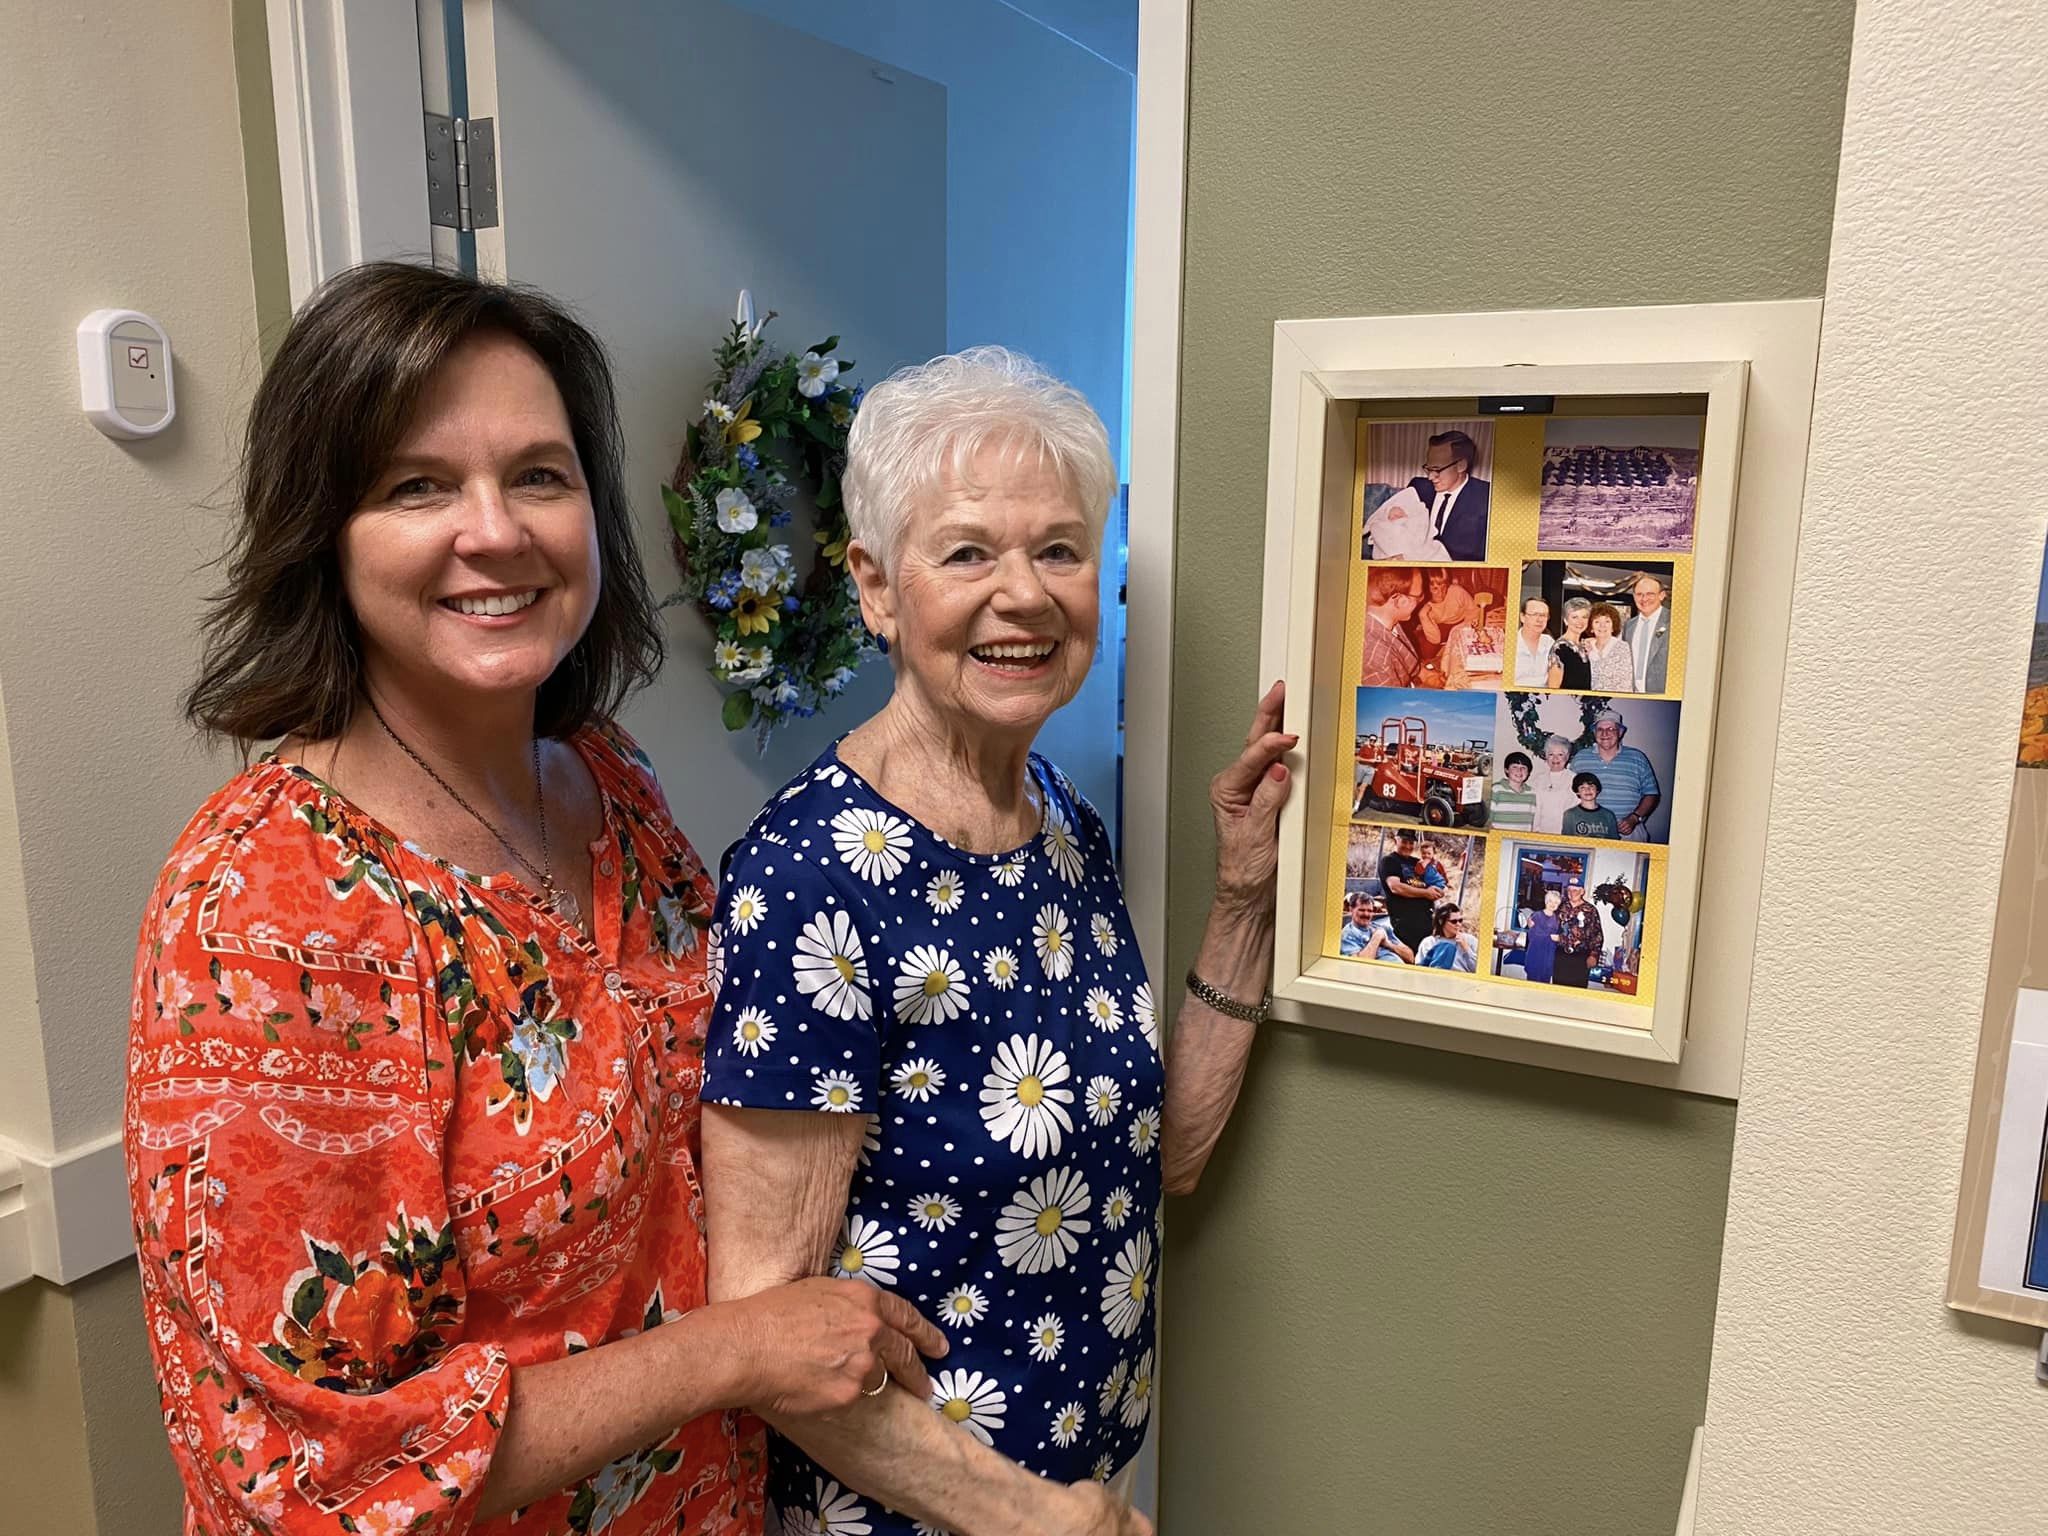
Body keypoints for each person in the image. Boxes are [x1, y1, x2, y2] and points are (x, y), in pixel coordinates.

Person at [125, 263, 940, 1536]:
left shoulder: (609, 781)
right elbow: (306, 1479)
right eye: (417, 485)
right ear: (321, 532)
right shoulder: (270, 908)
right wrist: (737, 1353)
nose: (495, 530)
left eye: (540, 475)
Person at [697, 348, 1289, 1536]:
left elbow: (1152, 1160)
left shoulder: (1058, 821)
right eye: (966, 551)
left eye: (1058, 550)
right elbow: (759, 1327)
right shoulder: (811, 875)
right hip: (925, 1516)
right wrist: (1030, 1520)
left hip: (1084, 1485)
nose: (1022, 595)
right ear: (875, 587)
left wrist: (1241, 898)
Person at [1390, 429, 1491, 562]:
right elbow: (1393, 527)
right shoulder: (1417, 488)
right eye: (1428, 468)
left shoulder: (1486, 496)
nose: (1431, 477)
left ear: (1461, 465)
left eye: (1437, 470)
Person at [1569, 709, 1663, 841]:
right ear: (1594, 732)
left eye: (1611, 729)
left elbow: (1651, 794)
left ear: (1620, 732)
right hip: (1588, 832)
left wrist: (1634, 818)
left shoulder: (1637, 758)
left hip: (1629, 834)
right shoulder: (1580, 758)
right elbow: (1569, 793)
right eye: (1600, 729)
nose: (1605, 733)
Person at [1377, 827, 1441, 951]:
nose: (1408, 846)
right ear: (1396, 841)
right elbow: (1396, 887)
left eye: (1411, 842)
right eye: (1404, 841)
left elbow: (1435, 884)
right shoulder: (1389, 861)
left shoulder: (1418, 862)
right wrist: (1426, 893)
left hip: (1427, 920)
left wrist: (1438, 890)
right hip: (1405, 923)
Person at [1361, 565, 1424, 686]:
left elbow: (1403, 660)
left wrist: (1423, 673)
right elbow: (1392, 703)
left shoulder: (1388, 617)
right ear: (1397, 599)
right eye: (1419, 596)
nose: (1420, 601)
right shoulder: (1377, 661)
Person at [1554, 880, 1607, 988]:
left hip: (1581, 957)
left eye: (1575, 890)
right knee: (1558, 989)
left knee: (1577, 990)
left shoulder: (1591, 910)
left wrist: (1593, 955)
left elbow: (1597, 934)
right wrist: (1534, 921)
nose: (1571, 893)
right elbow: (1548, 921)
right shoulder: (1560, 907)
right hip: (1561, 956)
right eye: (1569, 890)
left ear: (1582, 891)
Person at [1627, 572, 1674, 692]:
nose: (1644, 599)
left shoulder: (1675, 622)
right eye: (1639, 594)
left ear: (1662, 595)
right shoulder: (1629, 626)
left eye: (1650, 594)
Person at [1416, 568, 1477, 659]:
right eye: (1435, 589)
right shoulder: (1424, 607)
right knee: (1426, 653)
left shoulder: (1457, 591)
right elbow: (1435, 639)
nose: (1441, 593)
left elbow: (1473, 610)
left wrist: (1465, 628)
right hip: (1441, 626)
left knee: (1469, 643)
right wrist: (1423, 616)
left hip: (1463, 620)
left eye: (1444, 587)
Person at [1340, 891, 1414, 962]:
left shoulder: (1383, 928)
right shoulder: (1347, 934)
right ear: (1351, 910)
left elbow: (1410, 958)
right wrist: (1377, 938)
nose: (1366, 914)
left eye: (1369, 911)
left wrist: (1388, 944)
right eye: (1361, 910)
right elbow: (1360, 965)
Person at [1530, 733, 1579, 834]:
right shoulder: (1538, 780)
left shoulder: (1575, 779)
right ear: (1546, 757)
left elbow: (1577, 810)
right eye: (1551, 754)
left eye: (1560, 755)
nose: (1555, 758)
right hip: (1540, 833)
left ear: (1567, 757)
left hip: (1566, 833)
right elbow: (1534, 809)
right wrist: (1535, 831)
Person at [1582, 602, 1637, 692]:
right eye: (1597, 621)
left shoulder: (1622, 647)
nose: (1602, 625)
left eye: (1607, 621)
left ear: (1613, 626)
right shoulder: (1585, 647)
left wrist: (1592, 654)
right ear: (1591, 627)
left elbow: (1623, 680)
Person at [1546, 596, 1593, 690]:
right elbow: (1553, 689)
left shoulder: (1584, 646)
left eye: (1584, 617)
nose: (1580, 622)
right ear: (1566, 620)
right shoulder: (1559, 648)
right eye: (1575, 617)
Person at [1416, 902, 1478, 970]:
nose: (1458, 924)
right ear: (1441, 921)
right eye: (1453, 921)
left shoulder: (1470, 940)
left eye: (1460, 920)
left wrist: (1466, 949)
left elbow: (1478, 970)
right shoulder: (1429, 942)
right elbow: (1419, 968)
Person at [1520, 888, 1564, 984]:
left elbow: (1560, 936)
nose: (1553, 904)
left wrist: (1559, 938)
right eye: (1550, 901)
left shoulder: (1557, 920)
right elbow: (1533, 936)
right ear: (1545, 901)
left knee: (1545, 982)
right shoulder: (1536, 916)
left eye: (1556, 902)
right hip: (1535, 953)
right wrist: (1550, 936)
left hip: (1549, 955)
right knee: (1532, 983)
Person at [1561, 771, 1620, 838]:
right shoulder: (1570, 815)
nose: (1587, 790)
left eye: (1591, 786)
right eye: (1582, 787)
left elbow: (1614, 841)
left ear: (1597, 790)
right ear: (1577, 792)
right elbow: (1567, 841)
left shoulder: (1608, 815)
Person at [1512, 595, 1554, 685]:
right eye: (1534, 614)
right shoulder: (1510, 643)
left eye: (1543, 615)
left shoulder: (1549, 642)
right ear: (1522, 617)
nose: (1539, 620)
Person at [1492, 750, 1538, 831]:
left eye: (1523, 768)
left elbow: (1534, 822)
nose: (1519, 771)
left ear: (1528, 772)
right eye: (1514, 767)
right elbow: (1488, 821)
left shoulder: (1532, 793)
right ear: (1506, 770)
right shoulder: (1496, 790)